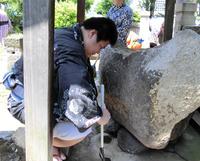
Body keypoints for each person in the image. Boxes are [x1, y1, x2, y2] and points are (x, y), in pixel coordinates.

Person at [2, 17, 118, 161]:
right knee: (83, 129)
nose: (97, 52)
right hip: (25, 104)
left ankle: (45, 138)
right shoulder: (71, 49)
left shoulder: (68, 35)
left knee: (78, 117)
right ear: (92, 33)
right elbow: (77, 88)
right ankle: (41, 141)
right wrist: (100, 117)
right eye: (100, 47)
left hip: (23, 96)